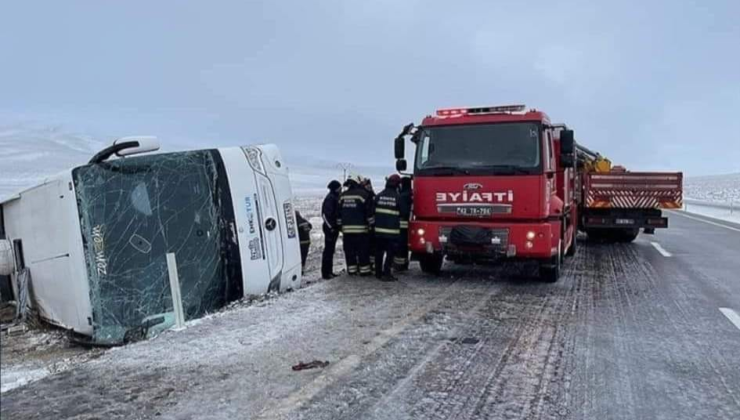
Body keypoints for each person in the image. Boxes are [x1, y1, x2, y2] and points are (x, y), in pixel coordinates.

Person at [338, 175, 374, 276]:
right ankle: (364, 271)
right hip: (361, 230)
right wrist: (372, 225)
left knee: (349, 251)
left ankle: (352, 270)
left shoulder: (342, 196)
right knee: (363, 250)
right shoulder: (363, 195)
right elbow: (369, 212)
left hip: (347, 231)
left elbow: (338, 214)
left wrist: (340, 227)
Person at [374, 174, 402, 281]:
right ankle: (387, 273)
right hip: (392, 232)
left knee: (379, 253)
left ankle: (378, 273)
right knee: (390, 254)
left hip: (379, 231)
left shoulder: (378, 196)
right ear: (397, 185)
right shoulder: (397, 198)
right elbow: (403, 212)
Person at [321, 180, 342, 279]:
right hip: (330, 229)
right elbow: (325, 215)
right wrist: (331, 227)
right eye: (339, 187)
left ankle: (329, 271)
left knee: (330, 250)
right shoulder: (330, 198)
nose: (341, 189)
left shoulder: (334, 197)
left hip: (333, 228)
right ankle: (326, 273)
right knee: (328, 251)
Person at [395, 176, 413, 271]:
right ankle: (404, 263)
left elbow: (402, 211)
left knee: (401, 246)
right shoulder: (412, 194)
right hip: (412, 225)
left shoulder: (402, 196)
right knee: (406, 246)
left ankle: (400, 265)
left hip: (402, 226)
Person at [361, 178, 377, 269]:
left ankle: (371, 264)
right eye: (367, 185)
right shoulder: (365, 196)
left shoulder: (371, 195)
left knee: (372, 247)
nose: (369, 187)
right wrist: (371, 224)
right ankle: (367, 264)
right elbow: (368, 212)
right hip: (366, 226)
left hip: (370, 226)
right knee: (367, 247)